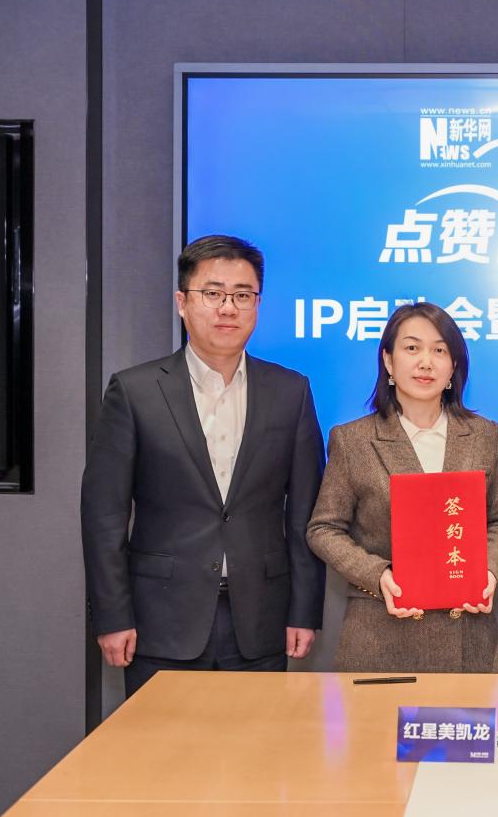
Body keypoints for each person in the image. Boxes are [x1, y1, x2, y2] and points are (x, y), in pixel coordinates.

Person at [81, 235, 326, 696]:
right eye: (213, 293)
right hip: (160, 619)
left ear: (257, 305)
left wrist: (304, 610)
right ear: (182, 302)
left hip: (261, 619)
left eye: (243, 295)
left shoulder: (290, 392)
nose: (228, 308)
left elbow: (304, 515)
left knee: (255, 741)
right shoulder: (134, 392)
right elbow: (104, 516)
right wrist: (113, 615)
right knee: (162, 742)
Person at [306, 302, 498, 672]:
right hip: (380, 640)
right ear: (388, 361)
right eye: (412, 348)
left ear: (454, 366)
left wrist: (488, 572)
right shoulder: (353, 440)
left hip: (468, 640)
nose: (426, 363)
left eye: (439, 350)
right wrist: (379, 574)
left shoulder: (485, 436)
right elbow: (323, 529)